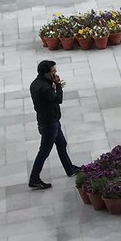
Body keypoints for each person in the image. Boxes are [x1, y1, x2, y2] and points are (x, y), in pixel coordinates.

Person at [28, 60, 79, 191]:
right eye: (53, 71)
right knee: (44, 151)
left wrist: (53, 84)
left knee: (61, 144)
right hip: (49, 123)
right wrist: (58, 86)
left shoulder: (36, 83)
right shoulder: (44, 88)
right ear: (46, 73)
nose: (55, 73)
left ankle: (70, 169)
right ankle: (34, 179)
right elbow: (58, 99)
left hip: (49, 120)